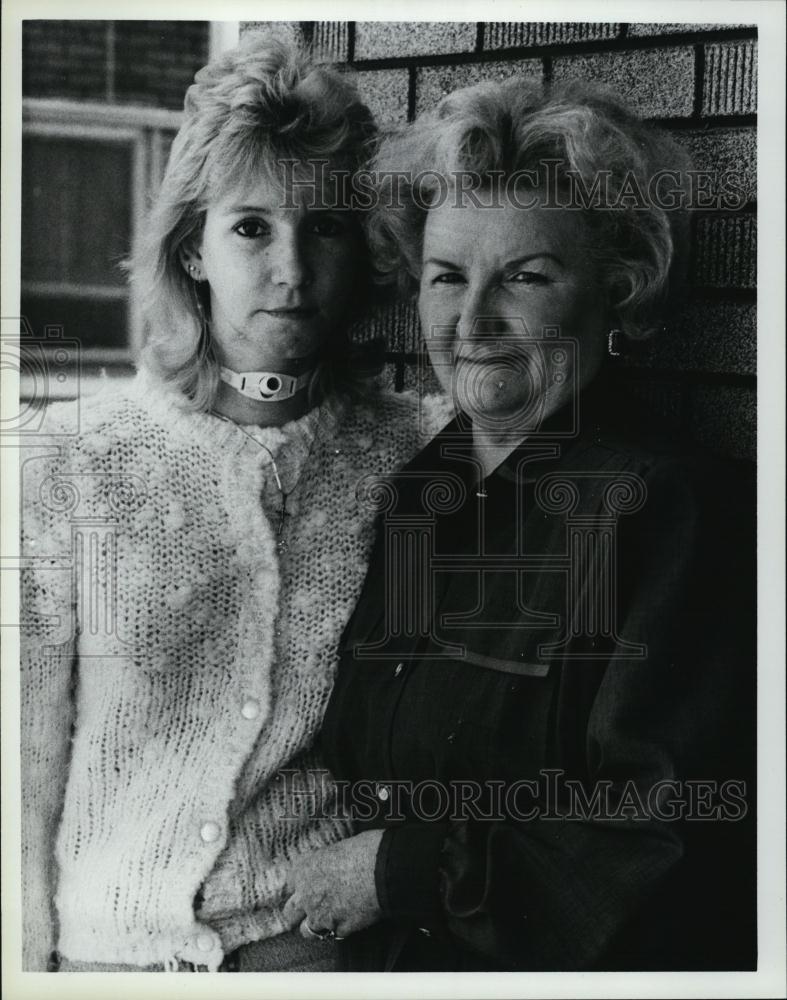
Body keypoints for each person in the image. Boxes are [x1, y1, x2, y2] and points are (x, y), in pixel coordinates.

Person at [282, 78, 757, 971]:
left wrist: (401, 870)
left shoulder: (669, 510)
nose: (472, 324)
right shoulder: (417, 493)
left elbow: (673, 838)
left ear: (615, 292)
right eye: (447, 277)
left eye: (526, 278)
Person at [20, 31, 446, 973]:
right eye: (250, 227)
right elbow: (21, 760)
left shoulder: (417, 452)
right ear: (194, 250)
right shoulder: (72, 460)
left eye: (324, 227)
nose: (291, 269)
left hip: (314, 948)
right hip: (105, 952)